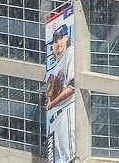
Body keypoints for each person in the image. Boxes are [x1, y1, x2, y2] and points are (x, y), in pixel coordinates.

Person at [46, 24, 77, 162]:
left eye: (60, 38)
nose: (58, 43)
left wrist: (52, 103)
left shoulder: (71, 52)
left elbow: (72, 87)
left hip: (66, 110)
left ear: (66, 38)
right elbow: (50, 90)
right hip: (54, 118)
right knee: (58, 158)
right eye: (55, 41)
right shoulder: (55, 67)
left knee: (70, 156)